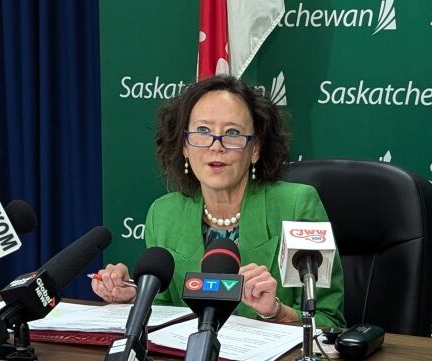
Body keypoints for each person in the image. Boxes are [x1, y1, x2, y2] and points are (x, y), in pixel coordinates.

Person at [92, 75, 345, 328]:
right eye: (203, 131)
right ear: (185, 146)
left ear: (255, 148)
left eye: (232, 132)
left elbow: (329, 321)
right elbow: (165, 311)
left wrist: (276, 312)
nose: (216, 146)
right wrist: (135, 297)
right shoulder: (164, 213)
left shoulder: (296, 205)